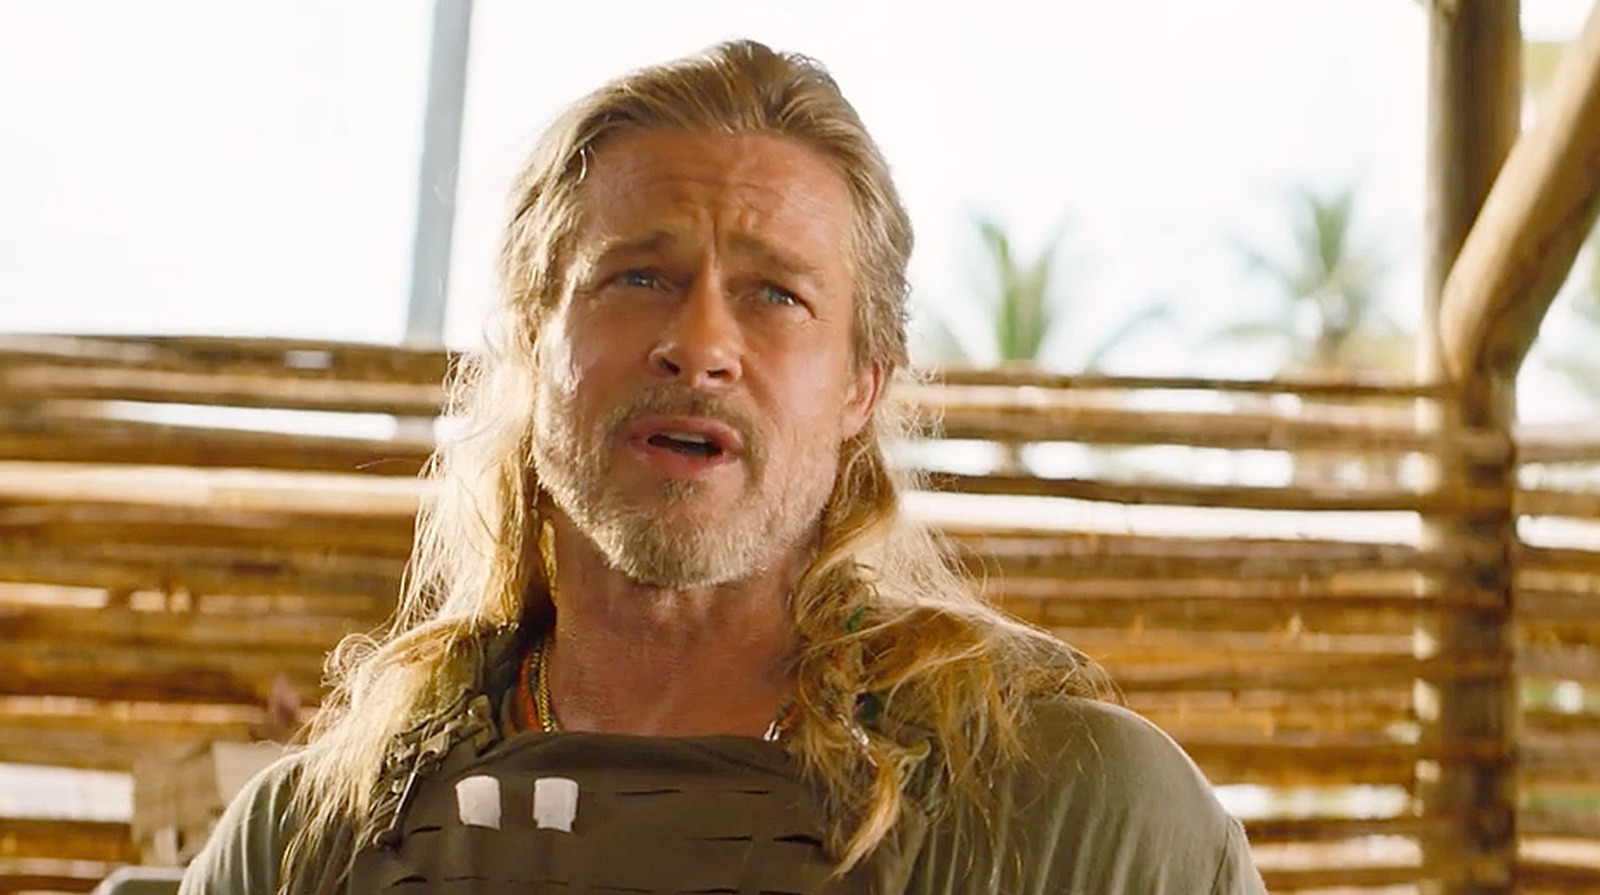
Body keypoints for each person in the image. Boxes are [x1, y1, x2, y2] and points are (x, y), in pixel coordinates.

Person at [180, 40, 1266, 895]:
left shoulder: (1074, 821)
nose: (698, 345)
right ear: (533, 339)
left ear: (862, 385)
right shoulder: (309, 843)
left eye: (775, 294)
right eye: (639, 277)